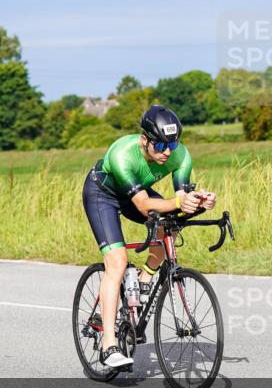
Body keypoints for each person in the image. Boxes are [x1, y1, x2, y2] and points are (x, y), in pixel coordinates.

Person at [82, 105, 217, 368]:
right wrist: (180, 203)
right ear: (145, 139)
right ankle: (109, 345)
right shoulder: (123, 154)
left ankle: (144, 281)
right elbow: (144, 206)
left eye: (173, 143)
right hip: (103, 195)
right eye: (160, 145)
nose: (167, 151)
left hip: (137, 193)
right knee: (117, 263)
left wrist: (199, 200)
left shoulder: (180, 156)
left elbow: (180, 198)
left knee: (169, 229)